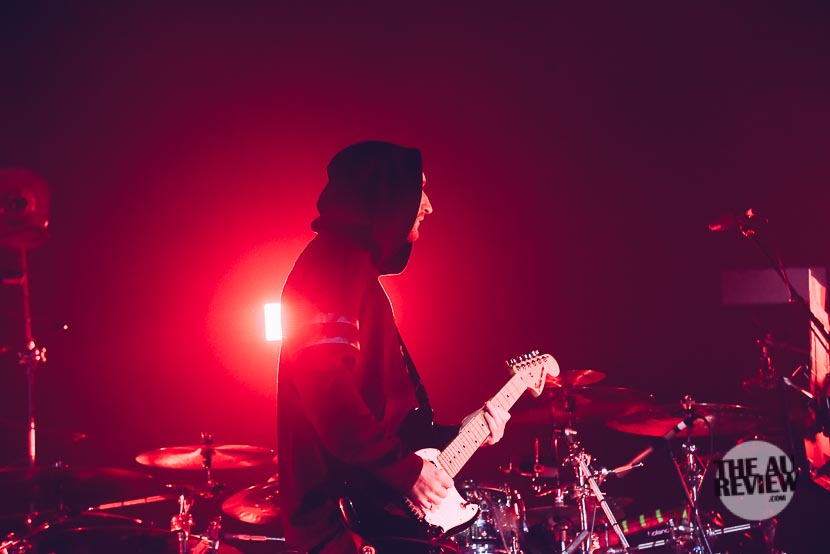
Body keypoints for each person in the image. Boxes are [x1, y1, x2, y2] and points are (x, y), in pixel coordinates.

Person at [277, 141, 511, 554]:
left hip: (372, 523)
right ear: (385, 195)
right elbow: (329, 397)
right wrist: (405, 472)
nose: (429, 206)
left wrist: (463, 435)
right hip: (345, 529)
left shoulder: (355, 273)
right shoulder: (332, 265)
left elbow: (387, 421)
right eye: (419, 189)